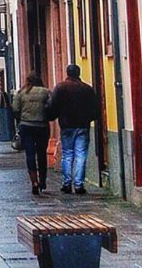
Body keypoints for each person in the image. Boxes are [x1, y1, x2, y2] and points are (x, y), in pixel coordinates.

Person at [48, 63, 101, 195]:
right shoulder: (87, 89)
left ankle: (67, 183)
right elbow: (96, 109)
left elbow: (53, 106)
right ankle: (78, 184)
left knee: (67, 154)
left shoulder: (60, 88)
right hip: (83, 125)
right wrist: (88, 118)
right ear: (79, 73)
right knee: (81, 154)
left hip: (66, 125)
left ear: (68, 73)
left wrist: (52, 116)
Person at [11, 71, 52, 195]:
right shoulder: (46, 92)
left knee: (29, 153)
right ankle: (43, 181)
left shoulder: (21, 93)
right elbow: (51, 106)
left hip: (26, 126)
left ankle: (34, 181)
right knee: (41, 153)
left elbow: (15, 109)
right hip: (42, 126)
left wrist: (21, 119)